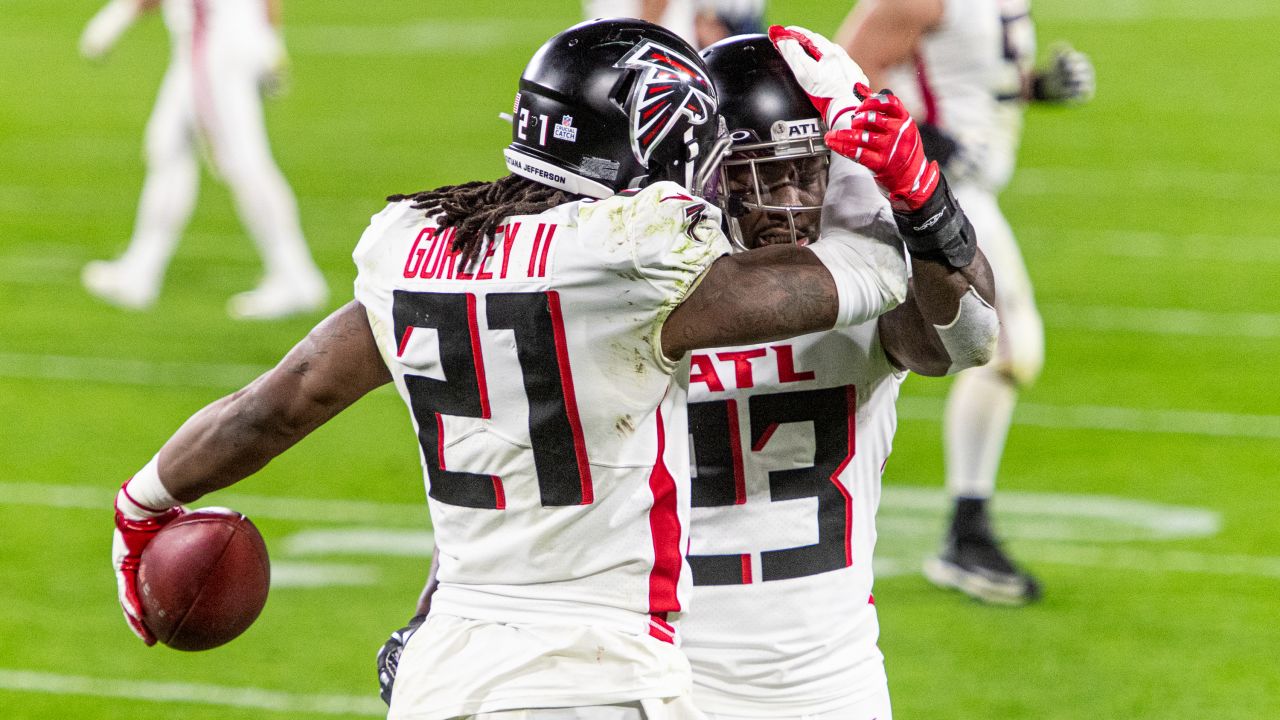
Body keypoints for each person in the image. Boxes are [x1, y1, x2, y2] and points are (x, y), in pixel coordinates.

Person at [110, 18, 961, 719]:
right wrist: (888, 185)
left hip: (445, 668)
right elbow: (882, 281)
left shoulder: (418, 246)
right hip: (597, 674)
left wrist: (143, 498)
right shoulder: (634, 263)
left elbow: (277, 404)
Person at [375, 27, 999, 720]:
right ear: (697, 166)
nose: (785, 201)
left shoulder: (832, 270)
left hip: (824, 678)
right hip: (657, 678)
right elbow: (516, 471)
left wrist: (922, 196)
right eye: (751, 174)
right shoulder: (633, 275)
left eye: (804, 170)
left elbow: (966, 341)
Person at [836, 0, 1096, 604]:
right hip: (931, 193)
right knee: (1009, 349)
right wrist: (918, 141)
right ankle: (966, 534)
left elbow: (964, 75)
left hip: (970, 189)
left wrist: (1034, 88)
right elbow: (836, 77)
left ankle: (966, 528)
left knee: (1003, 351)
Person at [79, 0, 328, 320]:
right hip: (223, 39)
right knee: (168, 145)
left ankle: (295, 277)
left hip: (213, 42)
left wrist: (115, 18)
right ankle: (140, 271)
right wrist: (269, 36)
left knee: (243, 163)